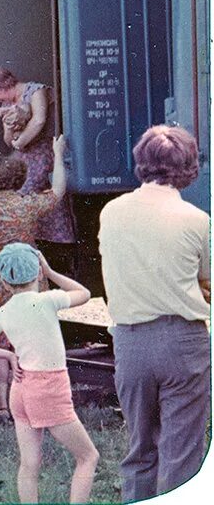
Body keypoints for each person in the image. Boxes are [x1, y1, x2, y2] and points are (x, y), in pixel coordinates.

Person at [98, 124, 210, 502]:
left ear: (141, 163)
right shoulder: (196, 220)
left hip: (130, 341)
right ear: (188, 166)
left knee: (140, 447)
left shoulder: (111, 212)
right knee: (182, 452)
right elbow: (207, 281)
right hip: (183, 340)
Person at [0, 243, 99, 504]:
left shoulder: (3, 312)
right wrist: (49, 272)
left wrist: (8, 355)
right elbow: (84, 293)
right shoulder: (47, 300)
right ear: (37, 272)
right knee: (88, 457)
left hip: (21, 389)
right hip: (49, 387)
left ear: (3, 281)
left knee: (29, 465)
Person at [0, 135, 67, 419]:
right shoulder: (28, 205)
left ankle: (2, 405)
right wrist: (57, 153)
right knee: (27, 338)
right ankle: (27, 398)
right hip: (26, 276)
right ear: (20, 178)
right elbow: (58, 190)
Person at [0, 67, 76, 273]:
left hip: (41, 151)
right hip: (21, 154)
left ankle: (49, 244)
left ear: (4, 85)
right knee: (26, 195)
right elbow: (8, 141)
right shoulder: (7, 105)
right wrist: (9, 130)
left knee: (29, 191)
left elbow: (39, 120)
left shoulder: (35, 91)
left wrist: (19, 142)